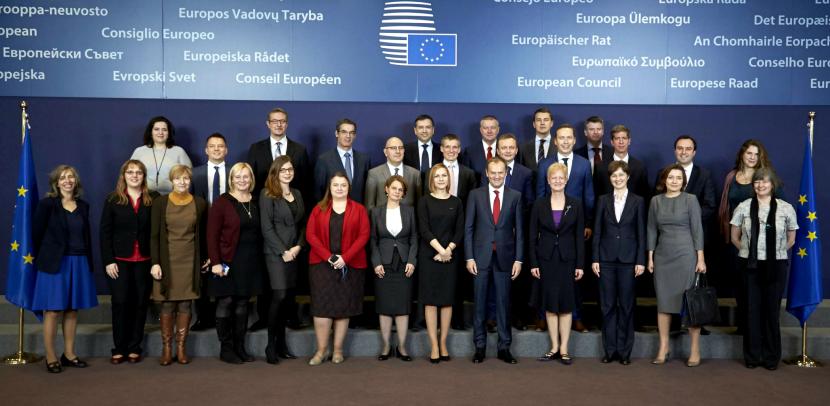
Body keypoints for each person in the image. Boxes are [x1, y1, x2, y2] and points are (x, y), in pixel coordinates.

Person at [247, 108, 311, 332]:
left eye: (282, 121)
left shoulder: (299, 150)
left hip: (293, 220)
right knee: (269, 278)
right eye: (274, 121)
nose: (278, 125)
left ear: (287, 123)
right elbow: (252, 185)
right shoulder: (256, 149)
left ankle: (290, 317)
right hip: (268, 221)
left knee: (290, 281)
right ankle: (265, 318)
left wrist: (297, 243)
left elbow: (304, 184)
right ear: (267, 124)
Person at [32, 165, 98, 373]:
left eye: (71, 177)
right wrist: (47, 257)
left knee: (71, 309)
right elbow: (36, 234)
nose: (67, 180)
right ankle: (50, 356)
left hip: (79, 261)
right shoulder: (47, 205)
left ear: (75, 181)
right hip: (55, 264)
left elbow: (86, 236)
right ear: (56, 183)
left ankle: (69, 354)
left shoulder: (83, 206)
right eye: (63, 178)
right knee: (53, 310)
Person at [730, 168, 797, 370]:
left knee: (771, 311)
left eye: (765, 182)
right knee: (752, 310)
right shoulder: (743, 206)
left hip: (776, 265)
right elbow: (735, 237)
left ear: (772, 185)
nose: (761, 185)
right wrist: (749, 252)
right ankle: (752, 357)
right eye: (757, 182)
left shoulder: (786, 208)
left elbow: (791, 239)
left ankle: (770, 357)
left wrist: (774, 253)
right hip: (750, 265)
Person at [305, 173, 370, 365]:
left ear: (349, 188)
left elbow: (364, 235)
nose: (339, 188)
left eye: (343, 185)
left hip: (349, 266)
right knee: (321, 309)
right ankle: (321, 351)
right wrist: (329, 256)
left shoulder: (359, 209)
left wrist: (345, 258)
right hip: (322, 266)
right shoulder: (319, 208)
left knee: (343, 308)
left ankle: (338, 350)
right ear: (330, 188)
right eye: (336, 185)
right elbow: (310, 235)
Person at [465, 157, 524, 364]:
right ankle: (479, 347)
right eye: (493, 172)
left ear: (506, 173)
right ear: (487, 173)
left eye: (501, 172)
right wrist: (469, 256)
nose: (497, 176)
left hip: (505, 258)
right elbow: (468, 228)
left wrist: (519, 259)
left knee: (503, 304)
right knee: (479, 304)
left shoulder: (515, 196)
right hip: (480, 258)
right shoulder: (475, 195)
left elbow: (520, 231)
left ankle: (504, 347)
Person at [536, 123, 594, 333]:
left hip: (573, 227)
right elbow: (540, 194)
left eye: (569, 137)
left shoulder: (584, 164)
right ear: (555, 140)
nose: (566, 141)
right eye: (561, 137)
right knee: (547, 278)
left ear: (575, 140)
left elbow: (588, 195)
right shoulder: (545, 164)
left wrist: (587, 223)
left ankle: (576, 316)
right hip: (550, 227)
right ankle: (543, 316)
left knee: (573, 278)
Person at [648, 164, 706, 367]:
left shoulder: (691, 200)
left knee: (689, 304)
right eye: (671, 177)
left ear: (684, 182)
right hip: (663, 256)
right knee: (663, 303)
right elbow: (651, 229)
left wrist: (701, 258)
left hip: (686, 255)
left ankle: (695, 349)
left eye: (678, 178)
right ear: (664, 180)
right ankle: (663, 347)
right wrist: (650, 257)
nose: (674, 181)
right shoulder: (656, 201)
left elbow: (697, 229)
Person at [207, 162, 265, 364]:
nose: (242, 180)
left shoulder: (255, 201)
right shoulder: (222, 202)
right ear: (231, 179)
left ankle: (240, 347)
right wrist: (215, 262)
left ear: (251, 179)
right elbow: (211, 235)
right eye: (237, 177)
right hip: (227, 260)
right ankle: (226, 348)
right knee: (226, 301)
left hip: (250, 261)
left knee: (242, 303)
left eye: (246, 176)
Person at [100, 160, 157, 364]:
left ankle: (134, 347)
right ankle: (119, 347)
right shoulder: (113, 199)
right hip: (119, 261)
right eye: (130, 172)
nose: (134, 176)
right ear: (123, 176)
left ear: (144, 176)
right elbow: (105, 233)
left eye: (138, 172)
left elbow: (157, 232)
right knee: (120, 302)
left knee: (140, 303)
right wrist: (108, 260)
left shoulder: (154, 199)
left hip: (145, 260)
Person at [150, 165, 208, 366]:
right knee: (167, 303)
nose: (182, 182)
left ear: (190, 181)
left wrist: (206, 258)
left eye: (185, 178)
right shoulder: (160, 202)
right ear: (171, 181)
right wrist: (155, 263)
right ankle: (167, 348)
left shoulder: (199, 203)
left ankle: (181, 348)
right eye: (178, 178)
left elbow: (203, 234)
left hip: (190, 260)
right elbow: (154, 236)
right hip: (167, 259)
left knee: (185, 303)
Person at [719, 139, 777, 335]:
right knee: (740, 283)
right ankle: (744, 324)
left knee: (758, 285)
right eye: (749, 153)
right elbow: (725, 206)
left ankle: (758, 326)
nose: (752, 157)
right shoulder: (731, 177)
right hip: (736, 239)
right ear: (742, 154)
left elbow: (779, 206)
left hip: (760, 241)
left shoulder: (765, 177)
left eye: (756, 154)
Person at [528, 163, 584, 365]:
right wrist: (533, 263)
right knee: (550, 305)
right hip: (546, 260)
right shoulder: (539, 204)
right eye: (554, 178)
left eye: (561, 178)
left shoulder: (576, 204)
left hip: (568, 260)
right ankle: (553, 347)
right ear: (548, 180)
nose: (558, 181)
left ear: (566, 180)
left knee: (566, 305)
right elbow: (532, 236)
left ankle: (564, 349)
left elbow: (579, 237)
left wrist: (580, 265)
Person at [591, 161, 646, 365]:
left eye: (621, 175)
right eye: (614, 176)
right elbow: (597, 231)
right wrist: (595, 258)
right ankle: (610, 350)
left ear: (628, 177)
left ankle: (624, 352)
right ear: (610, 178)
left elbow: (641, 233)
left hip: (629, 260)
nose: (618, 179)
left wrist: (640, 260)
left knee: (626, 306)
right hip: (605, 259)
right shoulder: (603, 200)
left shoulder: (638, 201)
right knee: (607, 306)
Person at [259, 156, 305, 364]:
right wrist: (283, 251)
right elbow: (267, 228)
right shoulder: (267, 194)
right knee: (279, 295)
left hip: (294, 252)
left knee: (287, 299)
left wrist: (298, 247)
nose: (287, 173)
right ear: (275, 172)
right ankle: (270, 345)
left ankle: (282, 345)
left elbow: (302, 224)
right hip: (276, 254)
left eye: (290, 169)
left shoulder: (297, 193)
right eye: (283, 169)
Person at [418, 164, 464, 362]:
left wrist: (448, 250)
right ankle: (434, 345)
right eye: (437, 176)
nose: (441, 179)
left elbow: (460, 230)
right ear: (431, 180)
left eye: (444, 175)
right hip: (429, 256)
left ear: (448, 178)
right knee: (430, 301)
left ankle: (443, 342)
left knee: (447, 300)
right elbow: (424, 229)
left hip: (450, 257)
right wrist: (440, 250)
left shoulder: (456, 202)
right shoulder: (424, 201)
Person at [370, 175, 418, 361]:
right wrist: (376, 262)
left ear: (403, 193)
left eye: (400, 190)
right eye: (394, 188)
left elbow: (414, 238)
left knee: (403, 306)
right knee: (384, 306)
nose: (397, 192)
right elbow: (373, 240)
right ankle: (385, 347)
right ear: (386, 189)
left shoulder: (410, 211)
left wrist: (412, 261)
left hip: (405, 264)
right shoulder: (376, 212)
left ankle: (402, 347)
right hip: (383, 264)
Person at [190, 133, 230, 332]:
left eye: (220, 146)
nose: (216, 149)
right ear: (206, 150)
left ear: (226, 150)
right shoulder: (194, 174)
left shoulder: (234, 172)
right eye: (212, 146)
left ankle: (225, 315)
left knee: (227, 270)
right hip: (202, 228)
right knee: (203, 273)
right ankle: (203, 316)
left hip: (228, 230)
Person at [439, 134, 478, 330]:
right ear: (441, 149)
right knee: (438, 276)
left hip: (460, 231)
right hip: (438, 233)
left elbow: (472, 204)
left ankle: (458, 319)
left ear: (459, 149)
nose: (451, 150)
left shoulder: (469, 173)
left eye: (455, 147)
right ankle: (434, 319)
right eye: (447, 147)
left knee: (459, 278)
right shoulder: (432, 172)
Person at [313, 118, 371, 203]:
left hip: (358, 209)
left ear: (355, 136)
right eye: (344, 132)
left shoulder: (364, 160)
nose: (348, 136)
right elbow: (318, 193)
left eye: (351, 133)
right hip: (332, 209)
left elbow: (367, 191)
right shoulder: (324, 160)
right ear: (337, 133)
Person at [130, 116, 192, 193]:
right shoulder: (139, 151)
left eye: (164, 130)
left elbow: (189, 176)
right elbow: (129, 175)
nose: (160, 133)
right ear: (151, 132)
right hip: (145, 196)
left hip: (173, 197)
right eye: (156, 129)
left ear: (169, 133)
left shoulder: (179, 151)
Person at [594, 125, 650, 200]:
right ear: (612, 142)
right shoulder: (600, 167)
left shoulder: (640, 167)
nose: (621, 142)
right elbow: (596, 195)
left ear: (629, 141)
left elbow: (645, 196)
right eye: (617, 138)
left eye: (624, 138)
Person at [365, 136, 422, 210]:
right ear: (385, 152)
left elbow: (419, 205)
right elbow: (370, 205)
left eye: (401, 148)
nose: (398, 151)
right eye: (393, 148)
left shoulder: (415, 174)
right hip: (382, 216)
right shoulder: (374, 174)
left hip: (408, 217)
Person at [519, 107, 554, 173]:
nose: (542, 123)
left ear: (551, 123)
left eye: (546, 120)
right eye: (538, 120)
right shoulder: (523, 148)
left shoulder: (559, 146)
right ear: (534, 124)